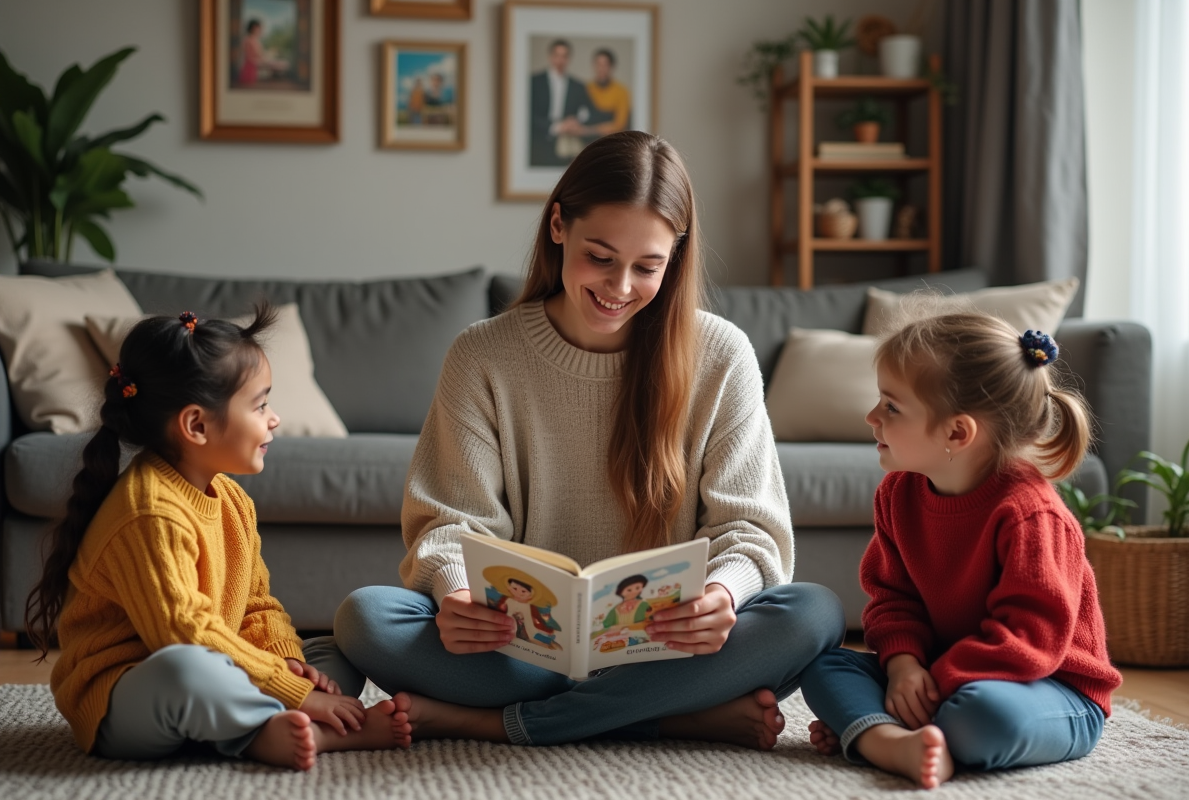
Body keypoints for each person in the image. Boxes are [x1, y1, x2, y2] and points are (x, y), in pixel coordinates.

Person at [335, 130, 845, 750]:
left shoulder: (721, 354)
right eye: (600, 257)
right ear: (558, 226)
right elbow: (449, 525)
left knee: (814, 614)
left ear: (675, 256)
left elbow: (753, 531)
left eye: (647, 266)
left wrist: (722, 594)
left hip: (670, 649)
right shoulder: (482, 355)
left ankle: (504, 723)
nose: (620, 286)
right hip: (523, 650)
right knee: (366, 619)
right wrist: (457, 593)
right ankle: (673, 717)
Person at [24, 308, 405, 770]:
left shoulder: (230, 499)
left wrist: (288, 663)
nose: (275, 418)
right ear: (197, 426)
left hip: (219, 665)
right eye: (260, 405)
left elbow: (256, 604)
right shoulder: (149, 511)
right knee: (187, 671)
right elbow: (184, 635)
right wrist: (293, 692)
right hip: (128, 695)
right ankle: (291, 735)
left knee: (329, 653)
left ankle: (263, 722)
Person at [798, 311, 1122, 789]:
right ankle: (895, 741)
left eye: (891, 406)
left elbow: (1030, 640)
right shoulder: (898, 494)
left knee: (984, 716)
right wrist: (905, 666)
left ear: (956, 433)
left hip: (1051, 688)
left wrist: (931, 684)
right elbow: (892, 600)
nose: (871, 417)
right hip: (941, 675)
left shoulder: (1032, 515)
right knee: (824, 666)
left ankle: (871, 729)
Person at [529, 39, 595, 166]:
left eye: (564, 56)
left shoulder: (578, 86)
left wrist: (576, 121)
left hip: (567, 143)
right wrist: (556, 127)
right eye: (557, 55)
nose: (560, 60)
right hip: (539, 140)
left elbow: (589, 111)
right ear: (550, 57)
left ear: (569, 58)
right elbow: (529, 114)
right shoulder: (535, 82)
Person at [584, 48, 631, 137]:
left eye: (605, 65)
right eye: (598, 64)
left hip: (611, 140)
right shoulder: (587, 89)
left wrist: (591, 130)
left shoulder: (621, 91)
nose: (601, 69)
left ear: (611, 67)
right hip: (587, 142)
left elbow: (619, 125)